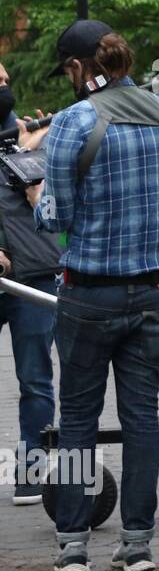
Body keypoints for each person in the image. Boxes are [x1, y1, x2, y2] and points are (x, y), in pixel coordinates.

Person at [30, 20, 159, 571]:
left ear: (81, 68)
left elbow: (56, 217)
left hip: (87, 295)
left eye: (66, 70)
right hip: (156, 291)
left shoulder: (72, 123)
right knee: (142, 417)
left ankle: (73, 545)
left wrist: (48, 207)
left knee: (79, 417)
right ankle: (137, 544)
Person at [0, 64, 62, 504]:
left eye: (4, 81)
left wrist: (41, 154)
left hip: (35, 276)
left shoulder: (28, 135)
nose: (3, 88)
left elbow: (60, 209)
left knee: (36, 379)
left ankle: (31, 470)